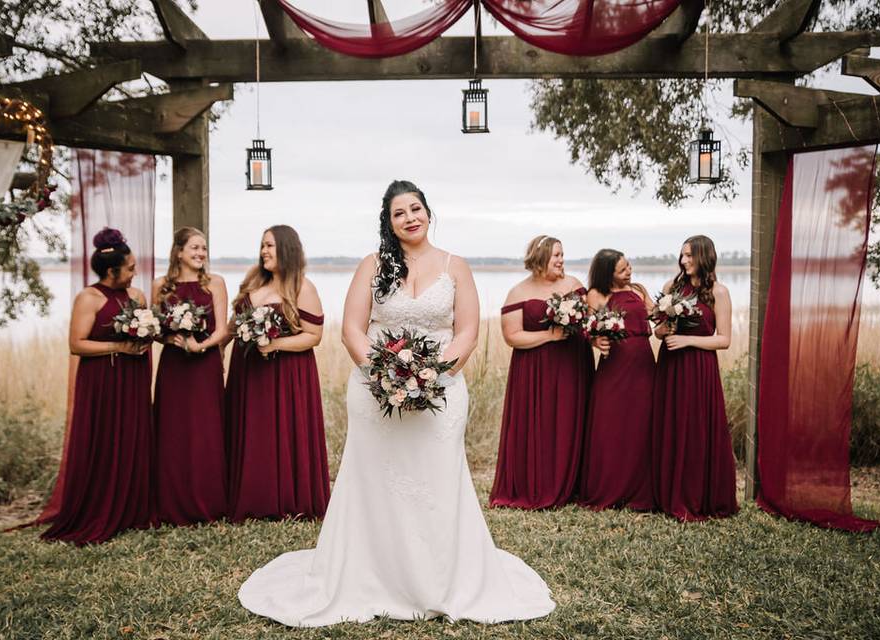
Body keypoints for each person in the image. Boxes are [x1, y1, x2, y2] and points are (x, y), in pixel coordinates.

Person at [237, 180, 555, 626]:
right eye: (398, 212)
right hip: (375, 389)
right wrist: (386, 374)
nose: (410, 217)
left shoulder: (456, 266)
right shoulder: (373, 265)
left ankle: (440, 579)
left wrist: (431, 374)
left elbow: (467, 331)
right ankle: (372, 576)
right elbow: (351, 328)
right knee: (375, 479)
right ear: (388, 223)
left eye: (416, 208)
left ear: (428, 212)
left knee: (436, 478)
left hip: (442, 389)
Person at [41, 228, 152, 544]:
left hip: (132, 378)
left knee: (132, 436)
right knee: (103, 438)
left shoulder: (138, 296)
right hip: (101, 382)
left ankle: (132, 507)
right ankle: (98, 508)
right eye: (130, 268)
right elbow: (77, 345)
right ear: (111, 270)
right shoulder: (88, 298)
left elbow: (143, 330)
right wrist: (118, 348)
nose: (134, 272)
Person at [224, 225, 329, 521]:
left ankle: (283, 498)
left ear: (286, 249)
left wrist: (276, 344)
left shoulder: (302, 288)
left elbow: (313, 335)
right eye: (262, 246)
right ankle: (250, 495)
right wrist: (214, 347)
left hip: (286, 374)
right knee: (252, 432)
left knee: (280, 431)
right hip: (247, 372)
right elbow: (233, 327)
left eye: (269, 245)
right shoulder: (253, 282)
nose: (263, 252)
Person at [490, 235, 593, 509]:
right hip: (535, 371)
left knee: (571, 420)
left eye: (562, 254)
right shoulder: (518, 292)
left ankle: (574, 484)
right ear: (540, 258)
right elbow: (512, 336)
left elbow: (589, 322)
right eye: (556, 255)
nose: (562, 260)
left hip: (573, 365)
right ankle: (539, 483)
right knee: (541, 423)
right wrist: (550, 335)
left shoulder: (574, 285)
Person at [651, 235, 738, 520]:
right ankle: (668, 493)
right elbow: (658, 331)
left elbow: (723, 340)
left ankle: (699, 495)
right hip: (671, 367)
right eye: (682, 255)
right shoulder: (671, 288)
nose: (684, 260)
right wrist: (665, 330)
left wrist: (687, 341)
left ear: (704, 256)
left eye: (690, 255)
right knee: (672, 426)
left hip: (699, 367)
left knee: (697, 429)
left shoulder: (720, 293)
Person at [152, 227, 229, 525]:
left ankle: (208, 502)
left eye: (204, 249)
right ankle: (172, 503)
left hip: (204, 365)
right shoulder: (161, 285)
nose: (200, 253)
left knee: (205, 432)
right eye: (195, 248)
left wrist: (202, 345)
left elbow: (222, 329)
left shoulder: (215, 283)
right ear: (179, 252)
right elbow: (154, 327)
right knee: (173, 432)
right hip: (173, 367)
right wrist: (167, 339)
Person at [577, 249, 656, 511]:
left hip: (643, 365)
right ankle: (610, 487)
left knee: (641, 425)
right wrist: (596, 340)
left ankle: (642, 489)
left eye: (629, 266)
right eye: (622, 270)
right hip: (614, 368)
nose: (629, 272)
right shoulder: (596, 295)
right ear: (607, 273)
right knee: (609, 426)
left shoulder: (639, 289)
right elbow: (587, 329)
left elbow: (657, 319)